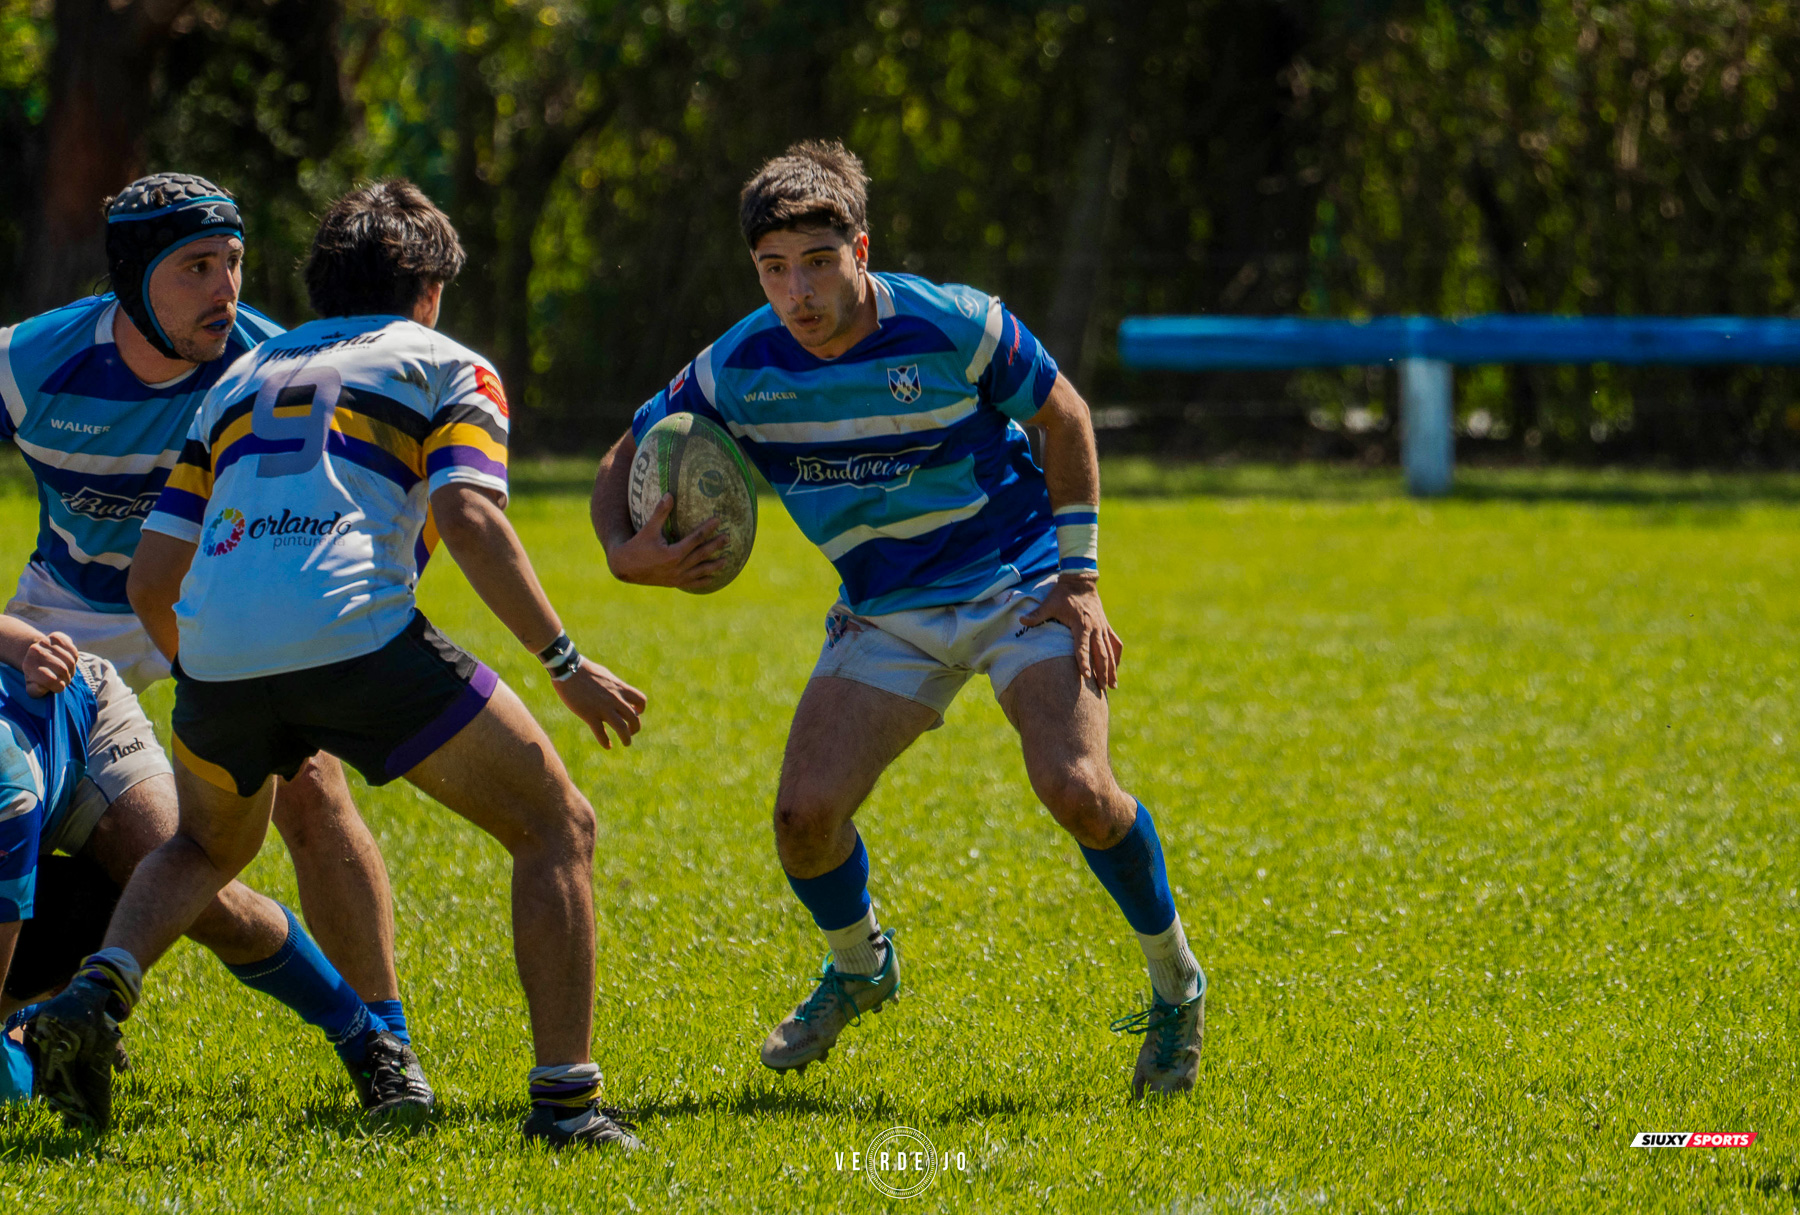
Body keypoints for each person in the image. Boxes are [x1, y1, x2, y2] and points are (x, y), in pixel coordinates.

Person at [29, 180, 648, 1149]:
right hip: (357, 635)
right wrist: (564, 662)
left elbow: (153, 577)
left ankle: (98, 991)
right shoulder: (451, 366)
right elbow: (470, 517)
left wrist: (223, 673)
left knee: (204, 848)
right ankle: (567, 1107)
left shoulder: (240, 377)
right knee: (554, 823)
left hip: (218, 654)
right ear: (430, 290)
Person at [591, 140, 1205, 1098]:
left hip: (1020, 581)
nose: (796, 291)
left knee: (1078, 788)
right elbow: (630, 447)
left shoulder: (956, 323)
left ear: (861, 249)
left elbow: (1067, 418)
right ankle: (860, 965)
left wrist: (1080, 582)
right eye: (773, 268)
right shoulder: (739, 364)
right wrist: (622, 552)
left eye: (817, 263)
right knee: (804, 819)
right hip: (884, 610)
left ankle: (1176, 986)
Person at [0, 173, 419, 1074]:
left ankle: (385, 1034)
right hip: (65, 610)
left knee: (310, 784)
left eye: (233, 262)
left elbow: (384, 489)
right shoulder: (30, 364)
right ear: (131, 280)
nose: (225, 287)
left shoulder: (273, 367)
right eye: (195, 267)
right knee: (17, 801)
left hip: (213, 603)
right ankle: (29, 1015)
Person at [0, 615, 425, 1124]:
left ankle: (368, 1038)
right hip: (33, 736)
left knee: (195, 893)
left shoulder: (9, 800)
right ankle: (38, 1030)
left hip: (80, 719)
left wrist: (28, 646)